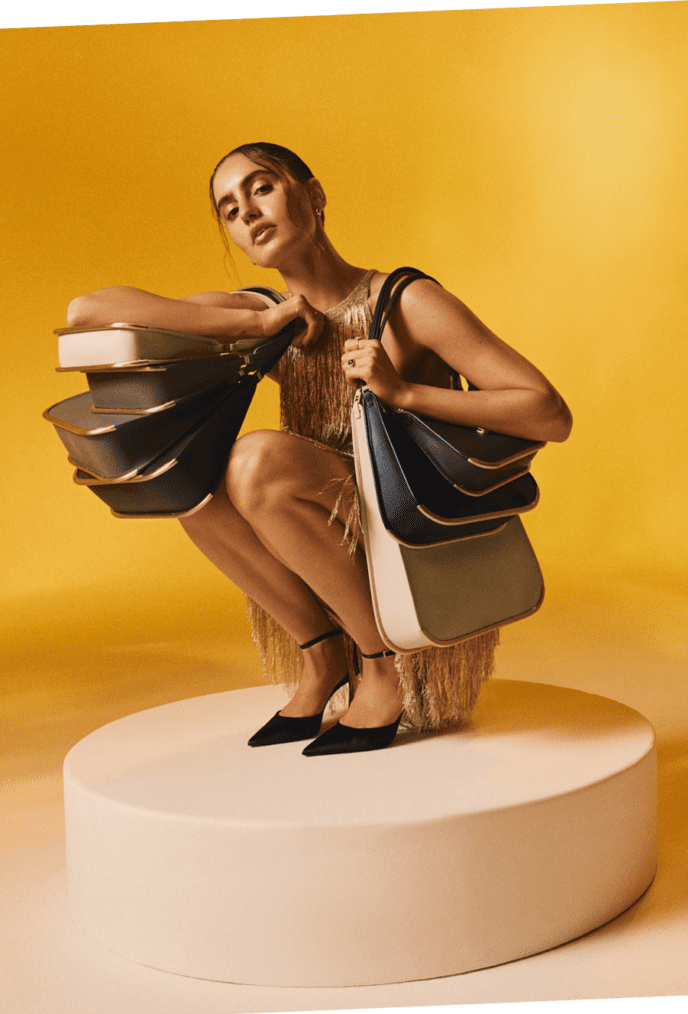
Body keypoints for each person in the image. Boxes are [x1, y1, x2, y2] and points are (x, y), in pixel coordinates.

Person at [66, 142, 572, 755]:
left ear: (314, 196)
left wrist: (405, 391)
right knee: (185, 482)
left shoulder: (406, 302)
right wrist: (254, 327)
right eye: (229, 209)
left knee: (254, 460)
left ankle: (382, 669)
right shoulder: (270, 313)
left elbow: (547, 412)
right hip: (323, 546)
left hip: (413, 559)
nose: (247, 213)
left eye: (261, 187)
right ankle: (323, 654)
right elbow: (89, 311)